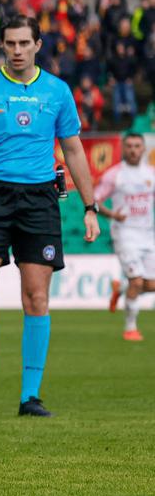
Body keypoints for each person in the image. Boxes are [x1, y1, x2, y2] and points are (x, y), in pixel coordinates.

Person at [0, 15, 100, 418]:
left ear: (37, 44)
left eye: (23, 43)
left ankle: (29, 397)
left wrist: (90, 207)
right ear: (2, 47)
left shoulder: (57, 90)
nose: (16, 51)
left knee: (36, 297)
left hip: (39, 200)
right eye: (10, 44)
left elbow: (73, 151)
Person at [98, 133, 155, 341]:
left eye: (137, 146)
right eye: (129, 146)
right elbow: (94, 201)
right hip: (125, 234)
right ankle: (130, 328)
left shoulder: (151, 174)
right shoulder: (114, 175)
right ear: (123, 148)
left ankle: (120, 289)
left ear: (143, 149)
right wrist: (113, 215)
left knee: (151, 285)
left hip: (148, 235)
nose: (133, 150)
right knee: (138, 282)